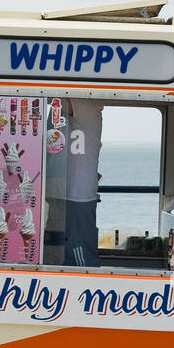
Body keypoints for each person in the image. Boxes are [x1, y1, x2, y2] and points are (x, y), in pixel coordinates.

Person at [63, 99, 103, 268]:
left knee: (79, 249)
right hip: (75, 189)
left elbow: (56, 99)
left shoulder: (85, 104)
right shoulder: (89, 107)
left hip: (78, 191)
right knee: (72, 246)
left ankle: (88, 284)